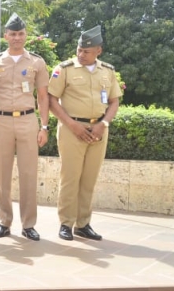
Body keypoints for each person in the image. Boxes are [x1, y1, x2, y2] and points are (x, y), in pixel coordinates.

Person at [47, 25, 122, 241]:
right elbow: (52, 100)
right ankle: (65, 223)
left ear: (99, 50)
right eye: (79, 50)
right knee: (70, 178)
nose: (81, 54)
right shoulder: (65, 69)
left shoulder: (107, 71)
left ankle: (83, 224)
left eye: (87, 51)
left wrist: (103, 124)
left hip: (98, 130)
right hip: (72, 130)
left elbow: (114, 101)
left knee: (89, 179)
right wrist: (72, 125)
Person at [0, 14, 50, 241]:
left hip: (27, 120)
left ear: (26, 35)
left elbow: (43, 96)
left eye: (20, 33)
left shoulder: (36, 62)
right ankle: (4, 221)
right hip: (2, 121)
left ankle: (28, 224)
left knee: (28, 173)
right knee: (2, 173)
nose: (16, 38)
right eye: (12, 34)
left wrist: (44, 126)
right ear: (6, 36)